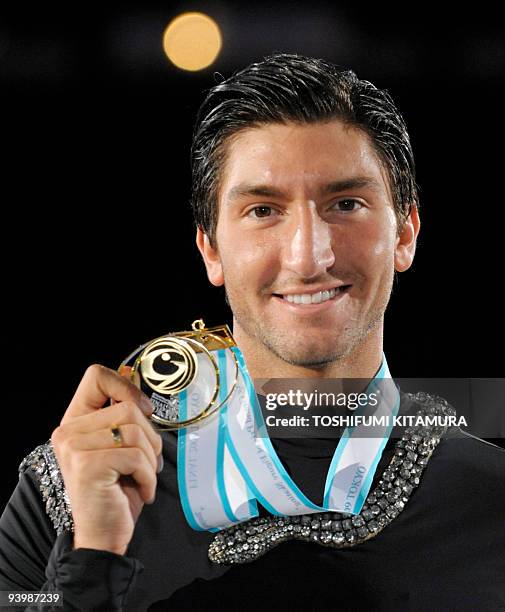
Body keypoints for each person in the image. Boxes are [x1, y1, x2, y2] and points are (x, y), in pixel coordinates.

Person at [1, 53, 504, 611]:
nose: (309, 256)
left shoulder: (494, 501)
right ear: (210, 250)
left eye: (346, 203)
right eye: (264, 210)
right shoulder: (68, 489)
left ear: (405, 232)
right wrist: (92, 556)